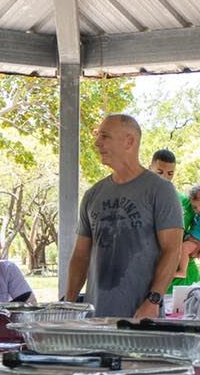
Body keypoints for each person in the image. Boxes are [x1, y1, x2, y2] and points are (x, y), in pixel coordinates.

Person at [65, 115, 183, 318]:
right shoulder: (93, 194)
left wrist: (153, 301)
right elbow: (80, 255)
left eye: (105, 136)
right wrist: (68, 304)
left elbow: (172, 250)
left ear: (129, 141)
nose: (97, 142)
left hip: (142, 318)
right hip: (96, 319)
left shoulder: (160, 190)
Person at [149, 149, 200, 290]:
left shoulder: (186, 202)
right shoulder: (140, 200)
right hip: (152, 278)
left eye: (170, 173)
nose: (164, 177)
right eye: (159, 172)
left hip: (185, 280)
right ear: (150, 169)